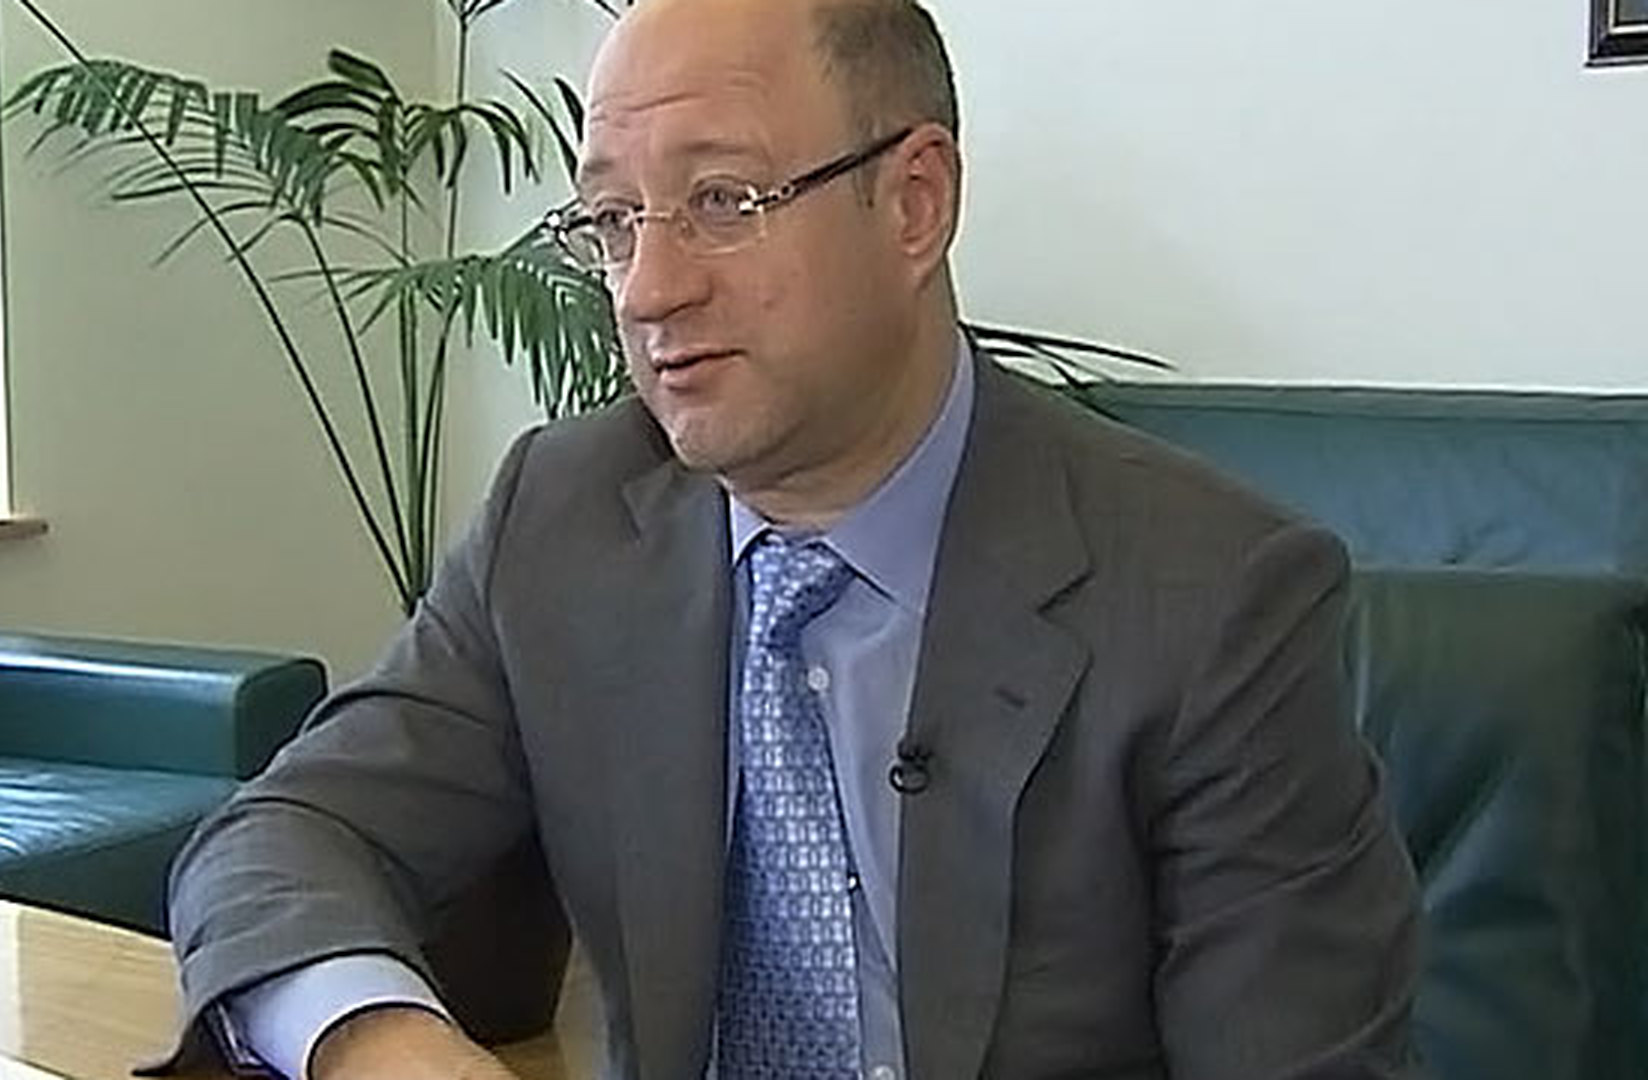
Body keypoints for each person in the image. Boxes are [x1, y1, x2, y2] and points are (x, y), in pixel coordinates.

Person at [164, 0, 1423, 1077]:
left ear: (915, 204)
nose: (648, 289)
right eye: (613, 220)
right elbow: (280, 841)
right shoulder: (562, 519)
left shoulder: (1213, 596)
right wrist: (374, 1041)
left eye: (722, 201)